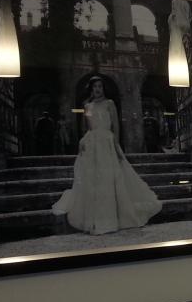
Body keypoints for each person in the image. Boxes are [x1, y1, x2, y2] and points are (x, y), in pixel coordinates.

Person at [52, 77, 161, 235]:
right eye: (95, 87)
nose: (98, 89)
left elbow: (116, 126)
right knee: (94, 180)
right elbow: (86, 128)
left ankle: (112, 218)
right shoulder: (87, 106)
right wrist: (83, 141)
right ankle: (95, 220)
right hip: (92, 145)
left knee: (109, 178)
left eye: (100, 86)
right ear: (91, 89)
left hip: (107, 143)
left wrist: (116, 145)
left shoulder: (110, 104)